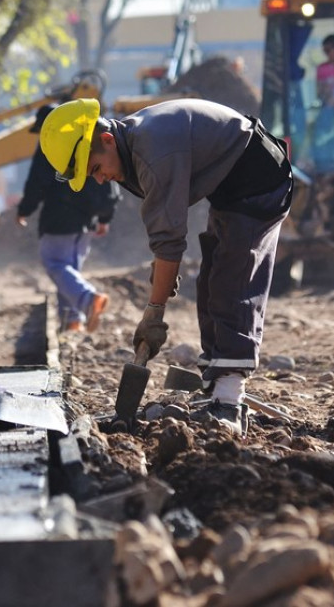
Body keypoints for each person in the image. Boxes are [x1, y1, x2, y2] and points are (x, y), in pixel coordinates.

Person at [38, 98, 293, 435]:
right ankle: (216, 388)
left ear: (106, 140)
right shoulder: (129, 145)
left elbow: (170, 241)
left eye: (96, 169)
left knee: (233, 281)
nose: (99, 180)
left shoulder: (152, 152)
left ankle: (230, 398)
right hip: (229, 188)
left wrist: (154, 311)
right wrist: (162, 273)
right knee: (210, 281)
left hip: (260, 179)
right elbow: (165, 240)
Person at [17, 104, 120, 333]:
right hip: (87, 220)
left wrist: (25, 209)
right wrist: (105, 217)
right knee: (70, 270)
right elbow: (107, 184)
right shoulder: (86, 142)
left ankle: (88, 300)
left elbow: (37, 181)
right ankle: (72, 321)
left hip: (59, 217)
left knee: (56, 263)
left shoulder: (51, 145)